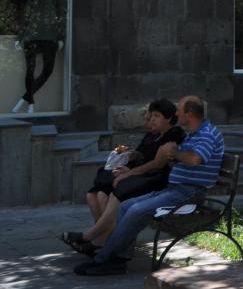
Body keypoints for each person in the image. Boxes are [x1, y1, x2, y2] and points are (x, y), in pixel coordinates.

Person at [74, 95, 224, 276]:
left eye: (179, 110)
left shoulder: (207, 134)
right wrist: (170, 155)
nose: (177, 114)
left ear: (189, 114)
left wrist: (174, 152)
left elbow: (195, 159)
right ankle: (118, 259)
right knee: (126, 206)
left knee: (136, 210)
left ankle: (103, 259)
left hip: (189, 192)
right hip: (175, 189)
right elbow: (183, 160)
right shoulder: (194, 134)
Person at [62, 99, 185, 255]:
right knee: (95, 195)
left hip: (155, 181)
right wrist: (133, 156)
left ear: (168, 118)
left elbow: (157, 164)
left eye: (156, 116)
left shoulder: (174, 134)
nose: (152, 120)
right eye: (151, 116)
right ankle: (104, 240)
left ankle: (93, 238)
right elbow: (145, 157)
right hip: (142, 177)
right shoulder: (155, 135)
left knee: (115, 194)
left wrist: (129, 172)